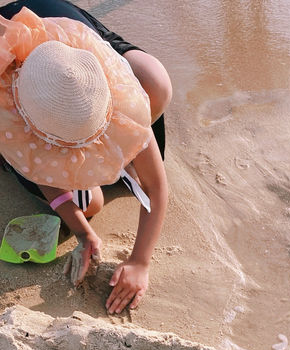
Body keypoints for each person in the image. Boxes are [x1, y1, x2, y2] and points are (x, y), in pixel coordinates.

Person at [0, 0, 171, 313]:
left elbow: (156, 188)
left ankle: (119, 156)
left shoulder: (110, 91)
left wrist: (140, 262)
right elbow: (37, 164)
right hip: (15, 63)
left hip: (58, 27)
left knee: (156, 82)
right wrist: (83, 232)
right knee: (90, 202)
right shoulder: (10, 115)